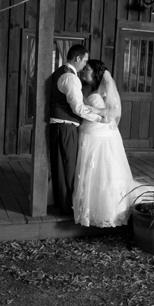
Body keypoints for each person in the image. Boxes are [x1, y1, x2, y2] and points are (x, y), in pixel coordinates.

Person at [73, 59, 139, 227]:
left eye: (87, 69)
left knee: (103, 173)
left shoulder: (106, 87)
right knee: (86, 171)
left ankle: (106, 211)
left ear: (95, 72)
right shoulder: (87, 87)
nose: (83, 71)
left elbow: (113, 112)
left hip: (101, 136)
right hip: (87, 133)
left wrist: (96, 110)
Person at [49, 45, 105, 215]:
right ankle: (68, 207)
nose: (85, 65)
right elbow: (78, 109)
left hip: (58, 126)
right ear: (78, 59)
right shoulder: (70, 78)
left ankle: (62, 204)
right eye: (85, 61)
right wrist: (100, 119)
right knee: (68, 167)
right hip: (65, 127)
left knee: (60, 166)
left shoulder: (60, 72)